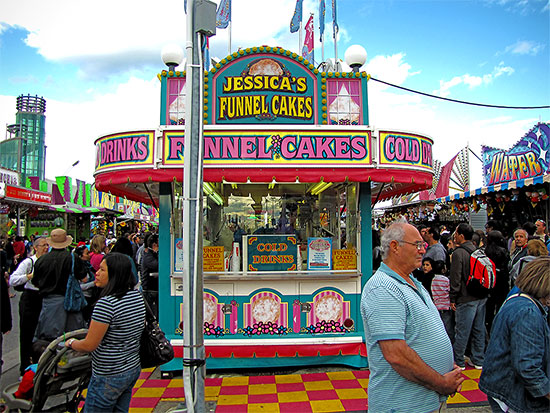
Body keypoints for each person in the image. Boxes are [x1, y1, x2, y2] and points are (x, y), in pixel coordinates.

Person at [361, 221, 464, 412]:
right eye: (417, 245)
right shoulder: (383, 288)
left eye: (422, 245)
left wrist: (448, 366)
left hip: (423, 402)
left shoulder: (411, 281)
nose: (422, 250)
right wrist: (441, 382)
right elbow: (396, 355)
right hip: (403, 405)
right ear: (394, 247)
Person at [64, 252, 145, 412]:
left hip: (108, 372)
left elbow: (89, 344)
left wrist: (71, 343)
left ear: (115, 274)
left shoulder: (106, 305)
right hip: (131, 367)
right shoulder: (136, 297)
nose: (97, 273)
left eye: (102, 270)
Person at [479, 257, 550, 413]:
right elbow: (528, 367)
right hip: (513, 396)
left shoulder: (517, 300)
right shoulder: (528, 312)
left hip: (502, 387)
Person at [31, 228, 86, 342]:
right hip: (70, 302)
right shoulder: (72, 258)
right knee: (72, 338)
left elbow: (35, 282)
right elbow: (83, 276)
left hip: (49, 304)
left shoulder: (42, 260)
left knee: (49, 339)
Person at [9, 237, 50, 376]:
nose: (46, 248)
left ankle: (39, 366)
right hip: (30, 299)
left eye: (47, 245)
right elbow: (13, 280)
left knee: (42, 334)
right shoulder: (29, 262)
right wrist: (29, 276)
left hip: (44, 298)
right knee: (27, 334)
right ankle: (25, 368)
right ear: (36, 247)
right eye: (43, 245)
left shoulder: (49, 261)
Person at [450, 223, 486, 370]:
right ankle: (478, 359)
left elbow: (456, 278)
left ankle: (458, 361)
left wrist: (453, 297)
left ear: (461, 236)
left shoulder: (459, 253)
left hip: (465, 297)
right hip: (481, 296)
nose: (454, 236)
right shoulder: (478, 251)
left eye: (456, 233)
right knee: (479, 329)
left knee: (462, 331)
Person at [484, 231, 510, 333]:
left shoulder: (485, 251)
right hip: (502, 281)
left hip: (490, 281)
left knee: (489, 306)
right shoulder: (503, 251)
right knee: (500, 304)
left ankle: (489, 325)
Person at [431, 260, 454, 343]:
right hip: (446, 306)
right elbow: (449, 290)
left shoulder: (433, 279)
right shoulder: (446, 279)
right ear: (443, 270)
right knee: (448, 329)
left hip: (437, 306)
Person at [141, 233, 159, 317]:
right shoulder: (148, 254)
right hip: (149, 288)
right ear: (154, 244)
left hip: (153, 288)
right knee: (151, 312)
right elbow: (157, 265)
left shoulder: (151, 254)